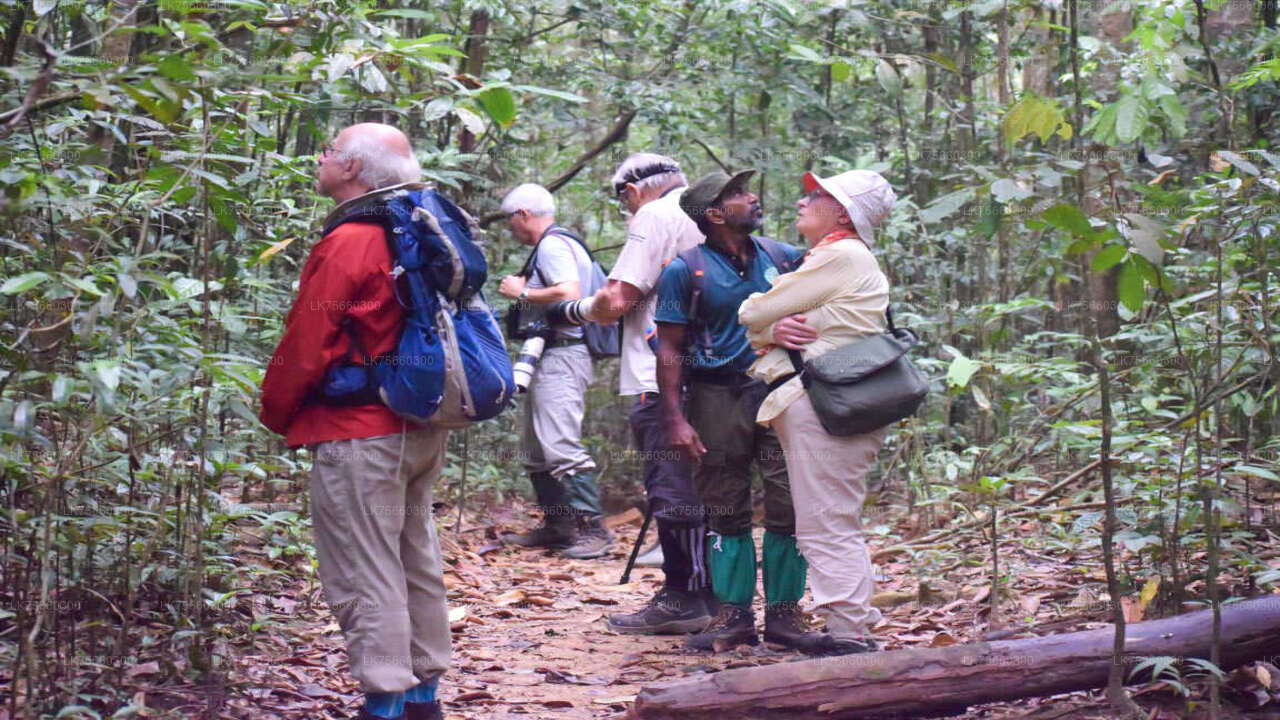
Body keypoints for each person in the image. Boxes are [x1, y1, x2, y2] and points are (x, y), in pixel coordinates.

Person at [260, 123, 447, 720]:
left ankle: (383, 702)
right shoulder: (414, 229)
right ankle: (423, 697)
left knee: (365, 569)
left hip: (359, 434)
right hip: (419, 426)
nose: (322, 156)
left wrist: (277, 410)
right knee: (415, 555)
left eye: (331, 150)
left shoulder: (352, 241)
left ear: (356, 171)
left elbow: (307, 342)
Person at [547, 153, 714, 634]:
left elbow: (617, 300)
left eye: (621, 197)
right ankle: (713, 595)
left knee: (672, 488)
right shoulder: (712, 212)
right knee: (708, 488)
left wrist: (575, 309)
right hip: (716, 374)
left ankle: (685, 597)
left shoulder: (656, 215)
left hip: (659, 376)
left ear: (632, 191)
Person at [654, 170, 818, 652]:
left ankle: (786, 616)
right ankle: (734, 616)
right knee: (725, 504)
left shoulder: (782, 255)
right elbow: (668, 348)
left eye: (749, 189)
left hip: (781, 391)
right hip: (715, 396)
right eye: (738, 195)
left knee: (790, 501)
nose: (753, 197)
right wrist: (675, 418)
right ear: (714, 213)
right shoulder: (685, 270)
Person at [737, 169, 898, 656]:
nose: (806, 200)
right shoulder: (837, 257)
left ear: (845, 212)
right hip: (826, 400)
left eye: (821, 195)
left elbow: (751, 313)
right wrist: (771, 328)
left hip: (826, 402)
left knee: (826, 521)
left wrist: (766, 323)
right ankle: (854, 624)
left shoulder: (841, 255)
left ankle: (849, 634)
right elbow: (764, 329)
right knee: (829, 518)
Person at [495, 183, 614, 559]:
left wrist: (522, 293)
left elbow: (568, 292)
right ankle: (559, 525)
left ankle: (593, 531)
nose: (509, 227)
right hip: (549, 355)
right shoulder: (559, 243)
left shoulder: (553, 245)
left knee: (561, 445)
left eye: (509, 219)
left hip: (564, 354)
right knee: (535, 449)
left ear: (524, 214)